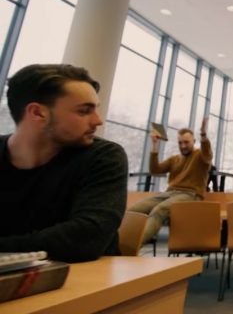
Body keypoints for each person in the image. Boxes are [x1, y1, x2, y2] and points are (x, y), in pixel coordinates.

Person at [0, 64, 128, 262]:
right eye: (84, 111)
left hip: (83, 281)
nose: (98, 121)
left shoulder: (103, 156)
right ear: (38, 113)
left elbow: (86, 238)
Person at [129, 117, 212, 245]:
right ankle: (119, 241)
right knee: (132, 210)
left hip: (190, 195)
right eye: (180, 143)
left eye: (186, 142)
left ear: (194, 141)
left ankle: (131, 246)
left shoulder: (200, 156)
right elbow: (155, 170)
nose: (183, 146)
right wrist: (155, 145)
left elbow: (208, 154)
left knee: (159, 210)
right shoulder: (175, 159)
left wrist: (203, 135)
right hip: (169, 194)